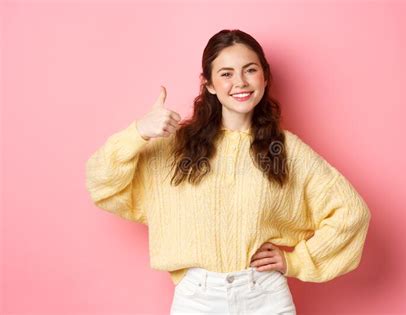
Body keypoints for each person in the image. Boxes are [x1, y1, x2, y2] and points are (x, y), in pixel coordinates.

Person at [85, 29, 372, 315]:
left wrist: (296, 262)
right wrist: (138, 132)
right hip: (197, 299)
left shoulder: (285, 150)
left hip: (265, 297)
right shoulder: (175, 146)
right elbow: (101, 183)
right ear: (208, 84)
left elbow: (352, 212)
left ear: (265, 77)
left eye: (250, 70)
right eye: (226, 74)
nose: (240, 82)